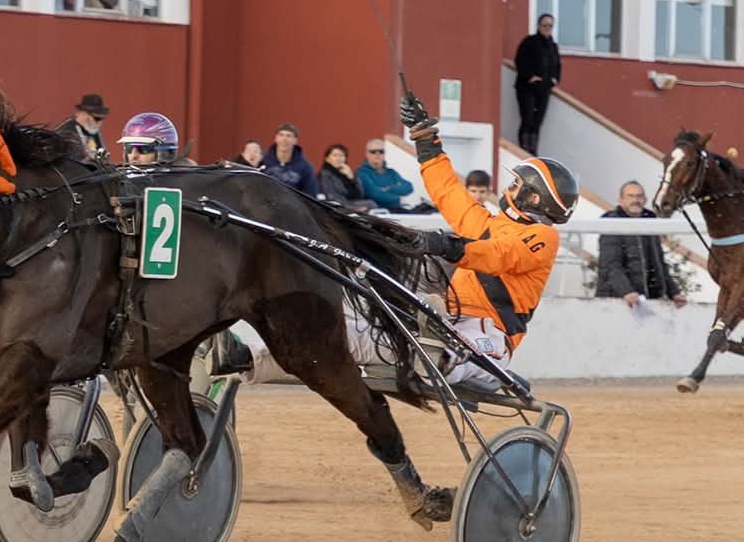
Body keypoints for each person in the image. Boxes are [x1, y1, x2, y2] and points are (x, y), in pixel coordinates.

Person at [222, 95, 577, 397]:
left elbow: (500, 257)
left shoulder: (543, 237)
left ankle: (440, 339)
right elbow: (449, 195)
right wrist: (426, 142)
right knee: (345, 334)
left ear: (533, 197)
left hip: (489, 339)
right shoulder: (489, 224)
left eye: (517, 185)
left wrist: (445, 244)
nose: (508, 188)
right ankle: (245, 357)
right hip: (447, 323)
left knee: (443, 353)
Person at [596, 181, 687, 310]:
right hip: (616, 302)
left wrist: (674, 292)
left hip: (648, 303)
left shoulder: (650, 223)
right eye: (630, 196)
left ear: (645, 200)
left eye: (639, 196)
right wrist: (626, 291)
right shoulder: (611, 223)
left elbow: (659, 264)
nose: (635, 200)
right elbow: (610, 265)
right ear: (620, 200)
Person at [514, 13, 561, 154]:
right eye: (545, 25)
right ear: (539, 26)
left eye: (550, 25)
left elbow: (557, 65)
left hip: (544, 89)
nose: (547, 28)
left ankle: (532, 150)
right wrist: (530, 76)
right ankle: (524, 149)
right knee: (527, 119)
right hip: (527, 88)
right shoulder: (529, 42)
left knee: (537, 122)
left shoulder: (553, 46)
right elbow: (520, 60)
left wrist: (554, 79)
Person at [259, 123, 319, 196]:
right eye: (281, 135)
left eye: (289, 136)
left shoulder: (305, 166)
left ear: (295, 140)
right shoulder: (262, 161)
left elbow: (311, 194)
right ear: (276, 138)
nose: (284, 139)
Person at [356, 140, 415, 211]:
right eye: (373, 152)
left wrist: (388, 188)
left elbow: (409, 187)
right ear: (367, 154)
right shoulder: (361, 172)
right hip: (376, 212)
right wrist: (398, 196)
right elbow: (375, 193)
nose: (377, 154)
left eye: (381, 151)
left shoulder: (391, 172)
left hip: (398, 210)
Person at [317, 143, 372, 207]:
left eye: (341, 155)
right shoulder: (325, 174)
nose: (338, 158)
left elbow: (361, 194)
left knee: (371, 204)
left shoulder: (347, 172)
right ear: (327, 158)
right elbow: (331, 196)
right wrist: (352, 208)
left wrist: (352, 178)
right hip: (338, 207)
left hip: (352, 204)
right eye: (335, 155)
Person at [60, 94, 110, 162]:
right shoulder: (66, 132)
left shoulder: (93, 130)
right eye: (97, 118)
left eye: (102, 119)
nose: (100, 123)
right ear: (84, 114)